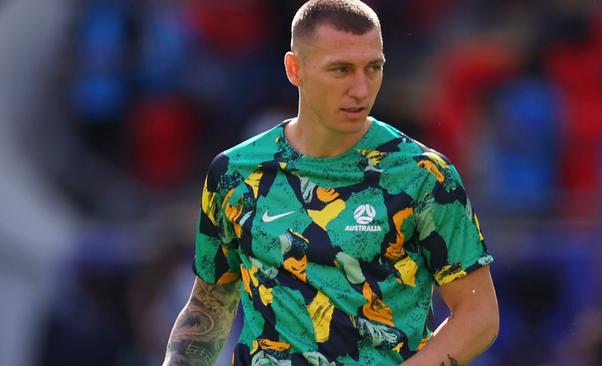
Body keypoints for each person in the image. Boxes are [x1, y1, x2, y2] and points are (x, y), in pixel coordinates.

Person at [163, 1, 499, 365]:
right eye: (341, 70)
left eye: (373, 68)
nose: (360, 89)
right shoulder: (235, 174)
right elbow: (209, 305)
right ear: (295, 69)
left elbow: (478, 315)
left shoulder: (424, 176)